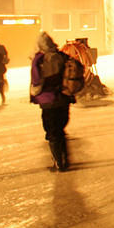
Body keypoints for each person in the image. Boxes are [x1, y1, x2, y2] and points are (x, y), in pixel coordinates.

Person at [30, 32, 75, 172]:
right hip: (63, 98)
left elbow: (36, 81)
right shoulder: (62, 56)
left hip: (48, 100)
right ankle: (65, 159)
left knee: (52, 132)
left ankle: (58, 163)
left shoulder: (40, 59)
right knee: (61, 129)